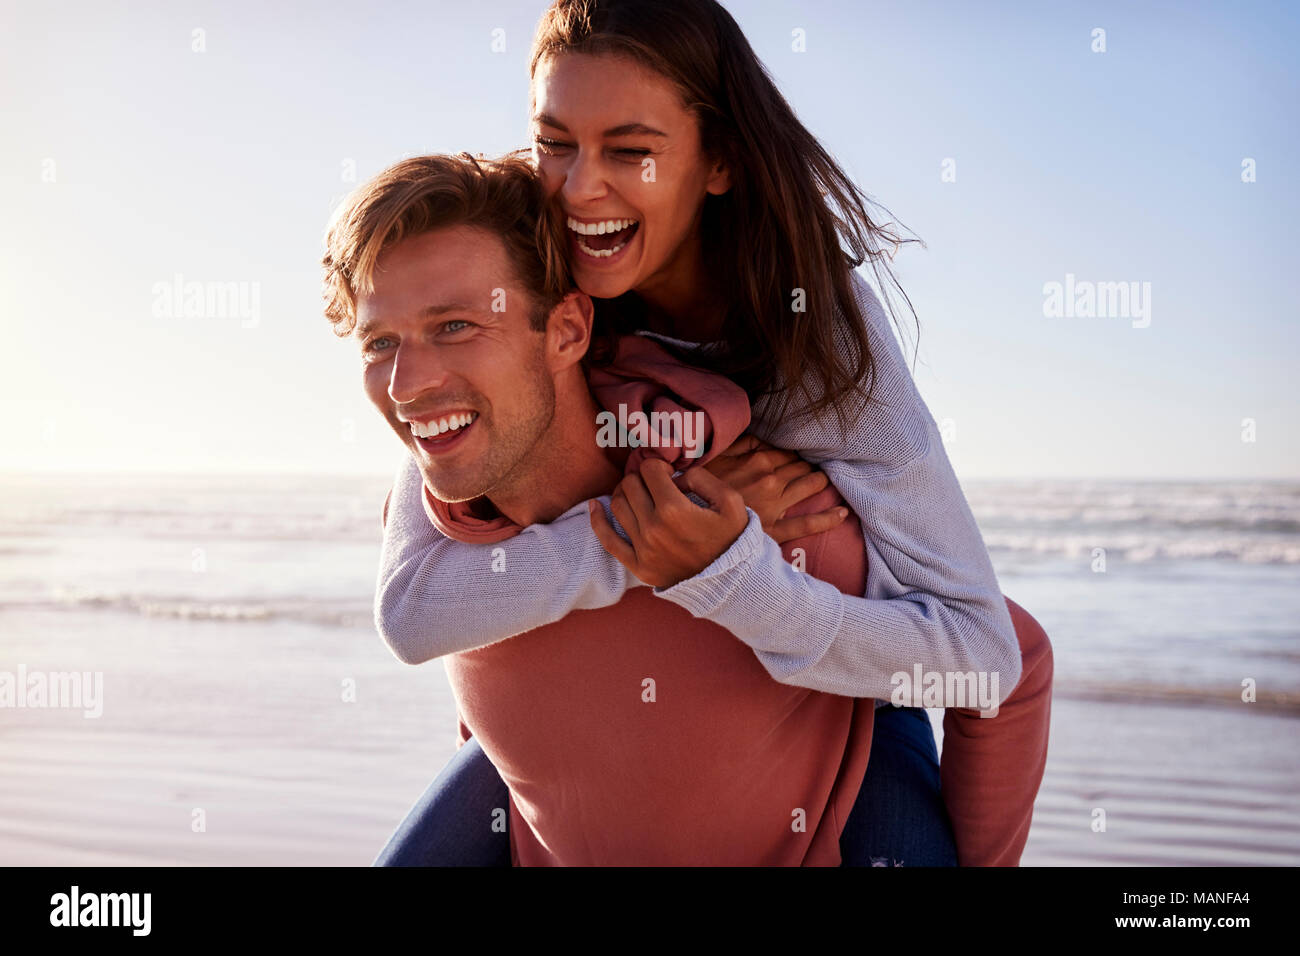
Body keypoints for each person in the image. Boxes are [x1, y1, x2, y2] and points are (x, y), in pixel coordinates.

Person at [347, 0, 1055, 865]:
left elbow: (984, 648)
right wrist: (647, 539)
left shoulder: (819, 343)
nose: (577, 191)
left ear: (719, 160)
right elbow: (418, 596)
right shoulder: (514, 278)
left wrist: (728, 570)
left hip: (838, 672)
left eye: (631, 151)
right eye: (555, 143)